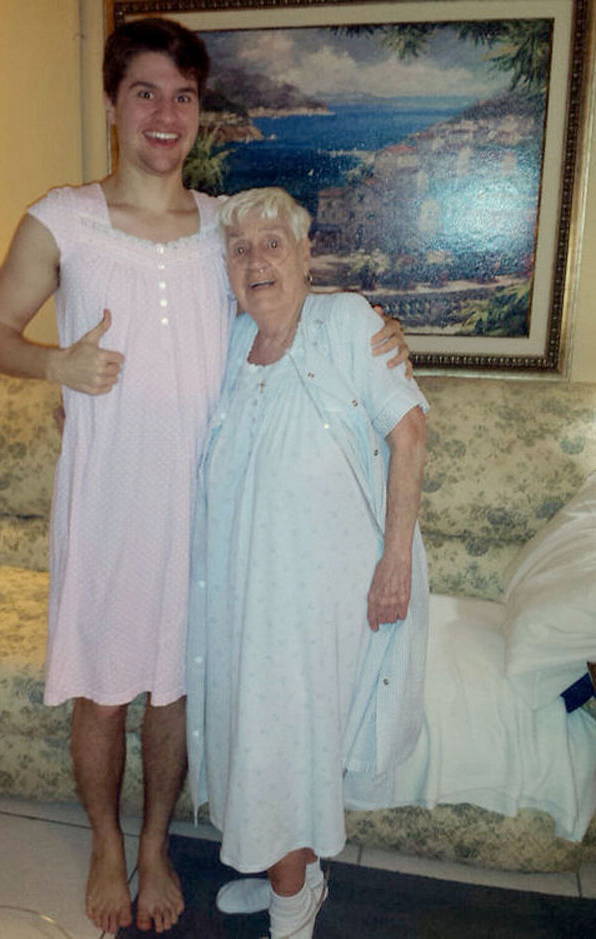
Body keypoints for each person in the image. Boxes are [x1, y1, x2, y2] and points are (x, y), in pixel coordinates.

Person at [0, 18, 409, 937]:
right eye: (145, 92)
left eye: (183, 96)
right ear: (112, 103)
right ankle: (104, 842)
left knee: (172, 692)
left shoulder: (219, 226)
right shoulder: (62, 219)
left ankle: (156, 844)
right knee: (102, 692)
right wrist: (56, 366)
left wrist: (374, 328)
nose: (165, 114)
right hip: (105, 508)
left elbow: (280, 297)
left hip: (208, 513)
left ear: (198, 111)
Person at [186, 187, 429, 939]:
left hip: (318, 595)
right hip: (243, 590)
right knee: (252, 735)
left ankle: (292, 908)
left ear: (304, 254)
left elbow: (411, 434)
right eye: (240, 249)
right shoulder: (228, 343)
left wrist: (395, 561)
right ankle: (298, 877)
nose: (256, 260)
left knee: (280, 746)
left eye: (273, 243)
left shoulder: (345, 323)